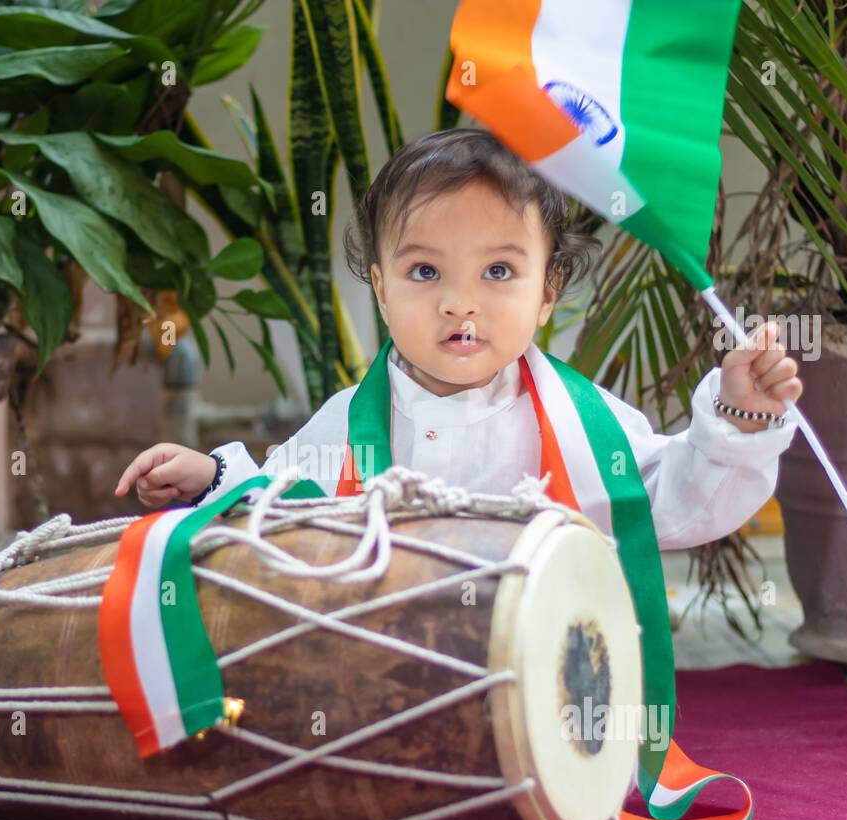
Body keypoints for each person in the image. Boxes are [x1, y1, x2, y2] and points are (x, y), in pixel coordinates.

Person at [115, 128, 802, 550]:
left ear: (547, 292)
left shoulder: (579, 424)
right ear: (381, 290)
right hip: (388, 698)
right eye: (423, 271)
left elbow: (680, 501)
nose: (459, 302)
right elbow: (282, 508)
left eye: (498, 270)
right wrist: (210, 476)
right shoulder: (349, 423)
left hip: (544, 706)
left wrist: (741, 416)